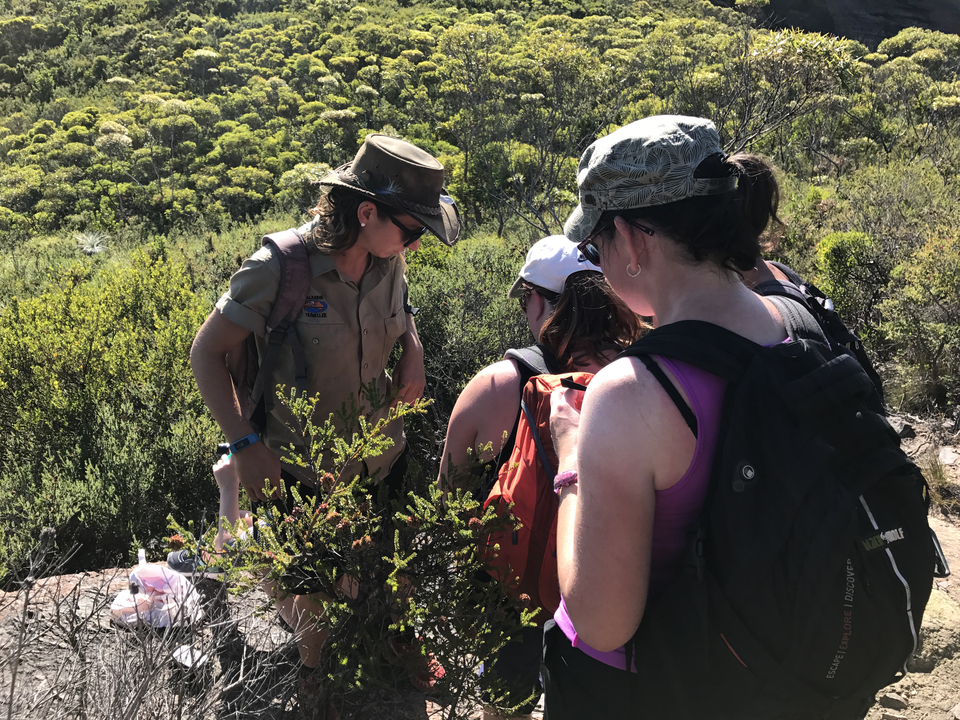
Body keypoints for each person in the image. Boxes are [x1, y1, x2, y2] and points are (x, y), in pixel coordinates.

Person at [188, 133, 460, 679]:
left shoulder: (390, 261)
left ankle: (399, 639)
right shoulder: (278, 268)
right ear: (366, 212)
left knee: (392, 556)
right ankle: (316, 684)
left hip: (382, 451)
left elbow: (400, 312)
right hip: (299, 464)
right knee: (313, 592)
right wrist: (245, 444)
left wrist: (414, 351)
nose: (415, 245)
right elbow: (205, 353)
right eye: (411, 231)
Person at [541, 115, 787, 716]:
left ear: (631, 239)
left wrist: (571, 458)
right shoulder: (803, 326)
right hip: (785, 669)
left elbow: (601, 624)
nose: (597, 262)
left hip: (662, 688)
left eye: (594, 246)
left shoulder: (632, 395)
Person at [438, 235, 643, 720]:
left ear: (535, 299)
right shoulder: (642, 370)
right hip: (613, 581)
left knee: (505, 702)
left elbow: (448, 494)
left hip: (518, 583)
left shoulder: (499, 386)